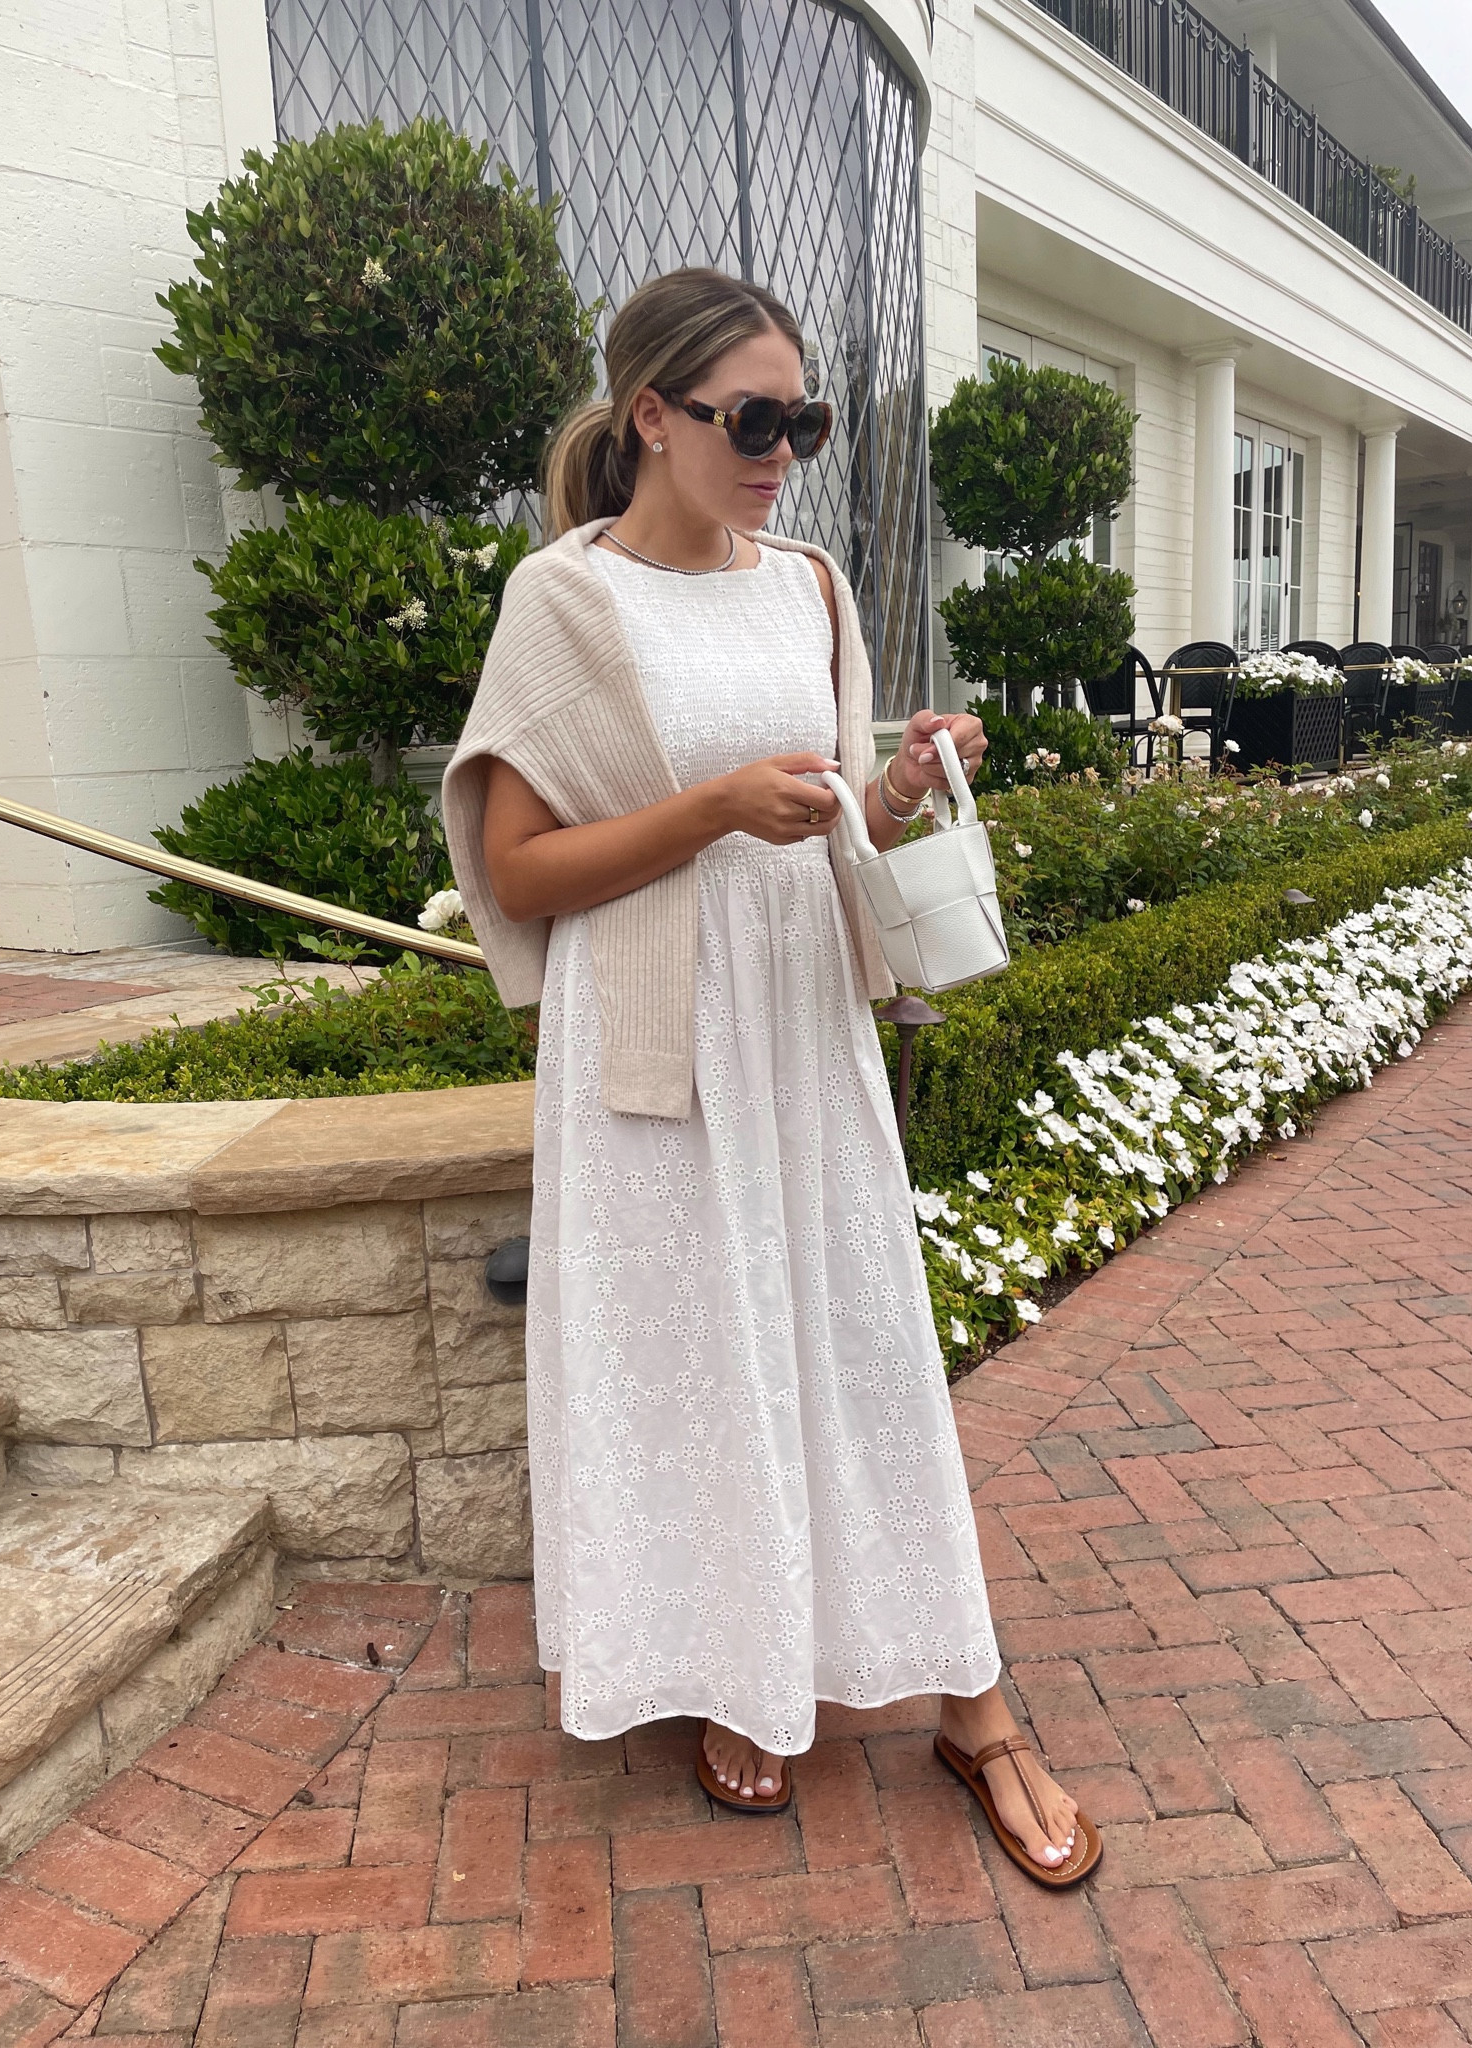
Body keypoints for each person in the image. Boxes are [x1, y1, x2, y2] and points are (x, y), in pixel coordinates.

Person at [442, 267, 1099, 1884]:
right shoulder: (565, 600)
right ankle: (744, 1676)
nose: (782, 448)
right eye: (751, 417)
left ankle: (974, 1699)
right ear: (652, 415)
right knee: (700, 1352)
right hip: (651, 1040)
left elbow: (828, 833)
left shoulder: (805, 585)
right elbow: (516, 873)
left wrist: (891, 790)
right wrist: (713, 810)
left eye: (803, 417)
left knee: (859, 1337)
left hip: (803, 1025)